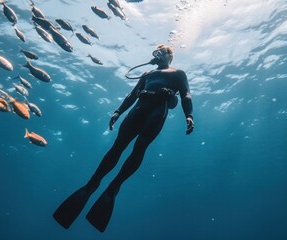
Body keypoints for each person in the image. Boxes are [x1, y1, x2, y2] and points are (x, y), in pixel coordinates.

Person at [53, 44, 194, 232]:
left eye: (162, 52)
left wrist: (189, 115)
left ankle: (114, 186)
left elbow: (186, 95)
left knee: (139, 147)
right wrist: (118, 111)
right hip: (138, 110)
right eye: (155, 52)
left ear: (170, 56)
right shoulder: (146, 74)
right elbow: (132, 94)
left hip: (157, 112)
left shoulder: (178, 73)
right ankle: (93, 183)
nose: (158, 54)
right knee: (117, 147)